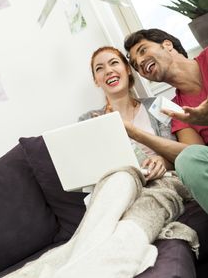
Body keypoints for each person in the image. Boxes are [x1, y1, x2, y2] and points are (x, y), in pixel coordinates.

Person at [78, 45, 200, 278]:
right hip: (122, 185)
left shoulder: (157, 106)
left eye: (114, 63)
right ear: (96, 81)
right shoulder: (89, 120)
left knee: (150, 195)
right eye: (99, 68)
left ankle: (120, 250)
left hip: (161, 181)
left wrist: (162, 160)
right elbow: (93, 169)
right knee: (116, 188)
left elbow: (182, 153)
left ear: (127, 69)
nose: (108, 71)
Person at [123, 28, 208, 214]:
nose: (140, 63)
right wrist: (135, 133)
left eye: (143, 50)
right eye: (136, 65)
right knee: (187, 160)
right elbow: (193, 154)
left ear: (167, 45)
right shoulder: (175, 110)